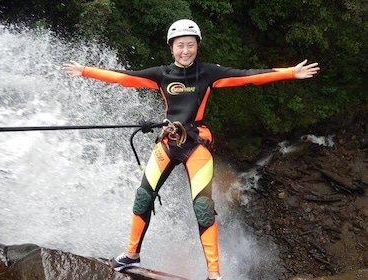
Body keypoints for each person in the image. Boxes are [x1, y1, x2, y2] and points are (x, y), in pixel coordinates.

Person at [63, 19, 320, 280]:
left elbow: (247, 76)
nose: (185, 51)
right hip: (169, 143)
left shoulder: (208, 74)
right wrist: (85, 71)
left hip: (196, 144)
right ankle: (131, 254)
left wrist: (290, 72)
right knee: (143, 197)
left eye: (190, 45)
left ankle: (214, 274)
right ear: (171, 48)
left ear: (197, 46)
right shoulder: (161, 75)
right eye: (180, 46)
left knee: (203, 207)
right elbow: (123, 78)